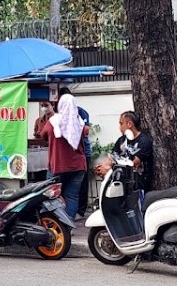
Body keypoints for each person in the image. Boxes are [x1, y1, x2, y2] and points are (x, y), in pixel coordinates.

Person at [40, 93, 89, 222]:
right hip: (78, 166)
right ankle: (68, 225)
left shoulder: (53, 122)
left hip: (58, 165)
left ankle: (53, 224)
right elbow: (84, 135)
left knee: (51, 196)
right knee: (72, 196)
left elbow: (43, 136)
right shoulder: (79, 123)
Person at [95, 111, 154, 193]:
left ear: (129, 124)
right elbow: (112, 157)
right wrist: (102, 166)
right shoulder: (122, 140)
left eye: (121, 123)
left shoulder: (144, 141)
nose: (119, 127)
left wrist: (109, 170)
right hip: (122, 186)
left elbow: (134, 164)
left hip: (139, 187)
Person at [59, 87, 92, 218]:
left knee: (81, 185)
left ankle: (80, 211)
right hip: (69, 156)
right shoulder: (58, 115)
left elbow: (86, 130)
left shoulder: (81, 112)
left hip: (83, 153)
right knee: (69, 189)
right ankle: (68, 214)